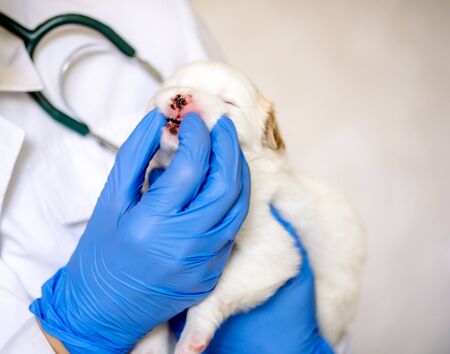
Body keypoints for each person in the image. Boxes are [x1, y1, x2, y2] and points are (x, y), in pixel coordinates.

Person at [0, 1, 338, 353]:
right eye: (178, 86)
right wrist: (65, 337)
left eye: (228, 102)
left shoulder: (146, 11)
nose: (185, 96)